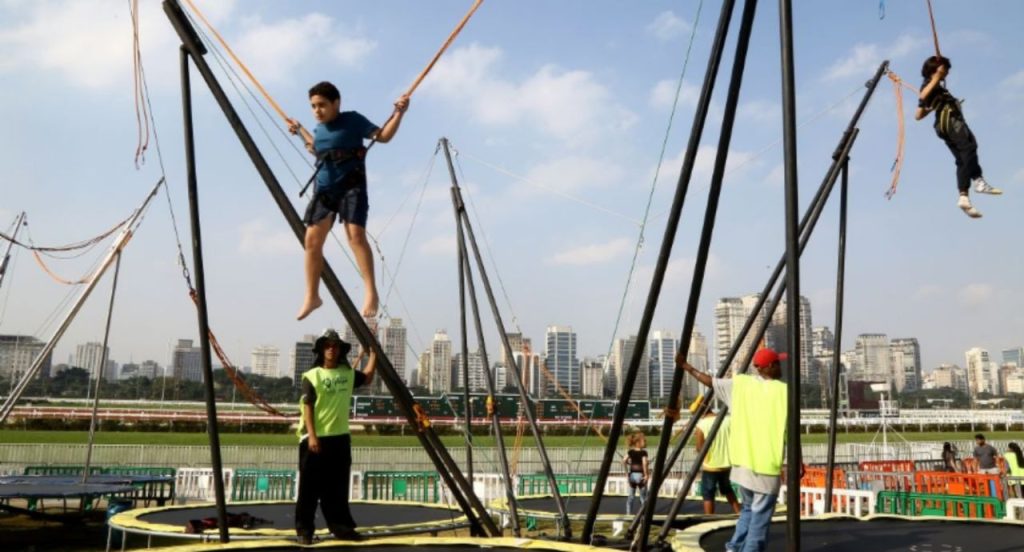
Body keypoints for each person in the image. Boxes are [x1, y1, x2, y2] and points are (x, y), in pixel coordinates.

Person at [289, 81, 410, 321]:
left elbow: (383, 136)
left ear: (336, 103)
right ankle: (312, 295)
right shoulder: (318, 130)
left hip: (351, 186)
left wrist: (399, 113)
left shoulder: (352, 120)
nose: (317, 111)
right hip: (324, 190)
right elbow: (315, 149)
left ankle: (370, 292)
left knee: (355, 236)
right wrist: (301, 129)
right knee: (311, 241)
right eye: (313, 106)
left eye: (322, 105)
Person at [677, 348, 788, 552]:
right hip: (765, 468)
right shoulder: (784, 392)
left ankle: (734, 547)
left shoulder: (740, 385)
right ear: (769, 366)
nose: (781, 367)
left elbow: (710, 381)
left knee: (747, 510)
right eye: (778, 363)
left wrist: (687, 367)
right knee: (759, 522)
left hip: (741, 466)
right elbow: (789, 431)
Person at [295, 328, 376, 544]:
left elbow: (367, 378)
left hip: (340, 438)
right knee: (309, 489)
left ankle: (342, 528)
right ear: (321, 349)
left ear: (340, 350)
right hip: (315, 438)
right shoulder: (312, 376)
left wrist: (374, 355)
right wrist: (312, 436)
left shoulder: (347, 374)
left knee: (338, 488)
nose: (331, 349)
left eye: (335, 345)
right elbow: (308, 407)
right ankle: (305, 530)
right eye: (327, 345)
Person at [914, 55, 1001, 219]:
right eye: (945, 69)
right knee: (969, 147)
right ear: (936, 69)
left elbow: (918, 115)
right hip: (950, 122)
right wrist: (937, 78)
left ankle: (963, 197)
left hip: (945, 125)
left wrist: (932, 107)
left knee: (962, 159)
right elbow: (923, 95)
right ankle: (978, 180)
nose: (946, 72)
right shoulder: (929, 84)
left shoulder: (936, 87)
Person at [695, 405, 741, 515]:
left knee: (708, 493)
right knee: (727, 489)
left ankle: (709, 518)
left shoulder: (701, 425)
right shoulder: (728, 420)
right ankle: (739, 512)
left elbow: (699, 448)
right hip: (726, 464)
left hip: (711, 465)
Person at [623, 432, 649, 515]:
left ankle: (628, 513)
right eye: (644, 441)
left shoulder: (630, 452)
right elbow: (644, 464)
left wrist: (627, 472)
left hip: (632, 476)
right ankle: (643, 514)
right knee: (643, 498)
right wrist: (646, 475)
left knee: (630, 497)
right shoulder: (643, 453)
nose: (645, 442)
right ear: (638, 442)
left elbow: (623, 461)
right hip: (641, 476)